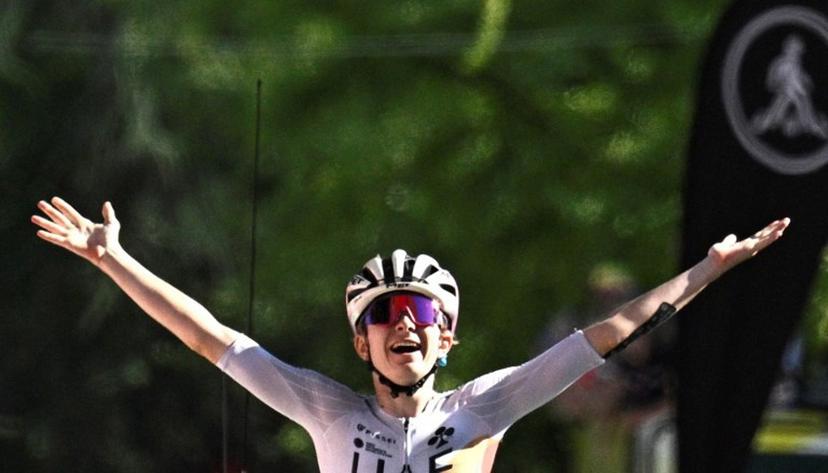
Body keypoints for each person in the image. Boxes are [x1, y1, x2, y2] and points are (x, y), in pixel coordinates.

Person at [31, 196, 789, 472]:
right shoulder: (329, 410)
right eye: (384, 317)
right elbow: (210, 337)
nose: (405, 327)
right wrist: (116, 260)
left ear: (447, 337)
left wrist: (707, 270)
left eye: (422, 315)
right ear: (361, 343)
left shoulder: (486, 407)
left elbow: (607, 334)